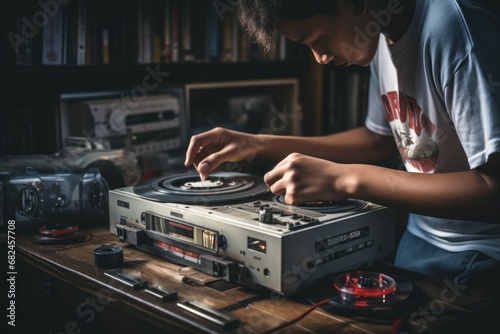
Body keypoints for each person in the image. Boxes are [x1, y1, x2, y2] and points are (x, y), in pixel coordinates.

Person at [185, 0, 500, 291]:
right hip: (416, 240)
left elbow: (493, 191)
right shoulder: (380, 35)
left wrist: (343, 179)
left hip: (479, 255)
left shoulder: (457, 33)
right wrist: (259, 143)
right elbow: (376, 140)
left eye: (317, 39)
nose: (320, 58)